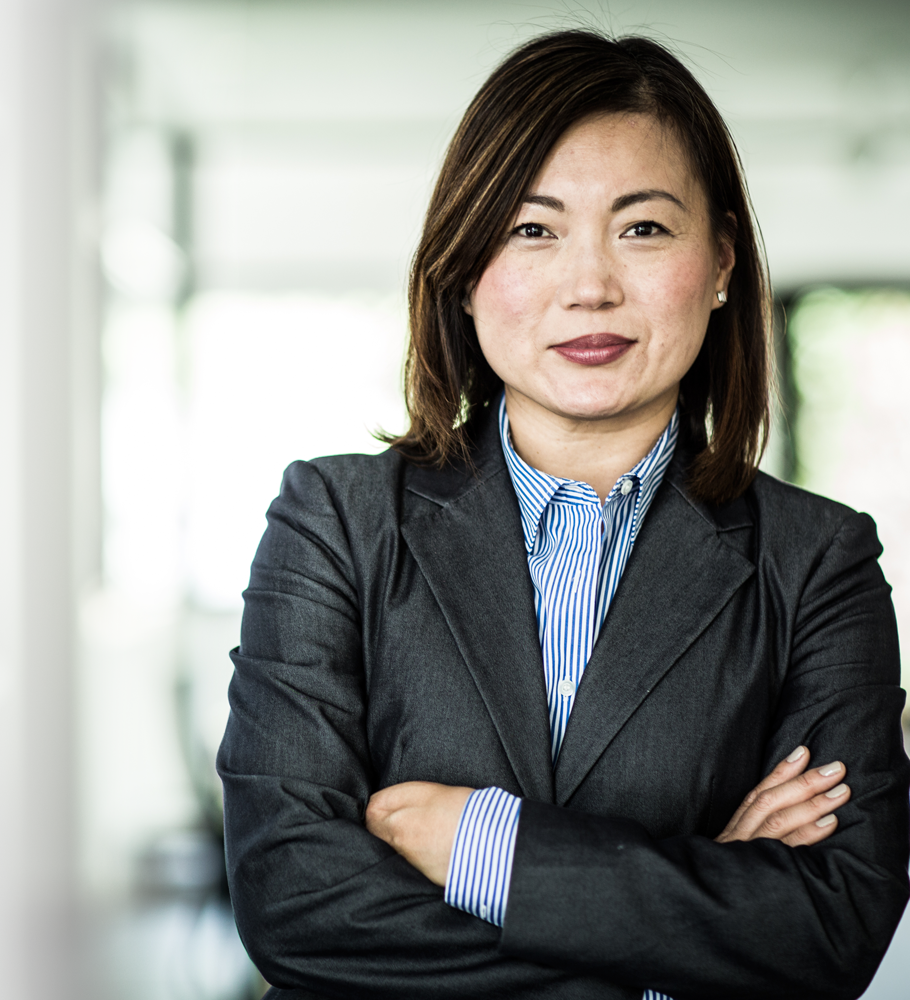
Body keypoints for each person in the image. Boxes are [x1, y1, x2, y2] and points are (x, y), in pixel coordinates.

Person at [217, 30, 909, 1000]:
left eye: (643, 229)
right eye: (531, 230)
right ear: (463, 269)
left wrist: (482, 845)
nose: (589, 285)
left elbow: (831, 927)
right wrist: (685, 933)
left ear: (719, 263)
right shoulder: (336, 519)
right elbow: (293, 904)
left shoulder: (816, 559)